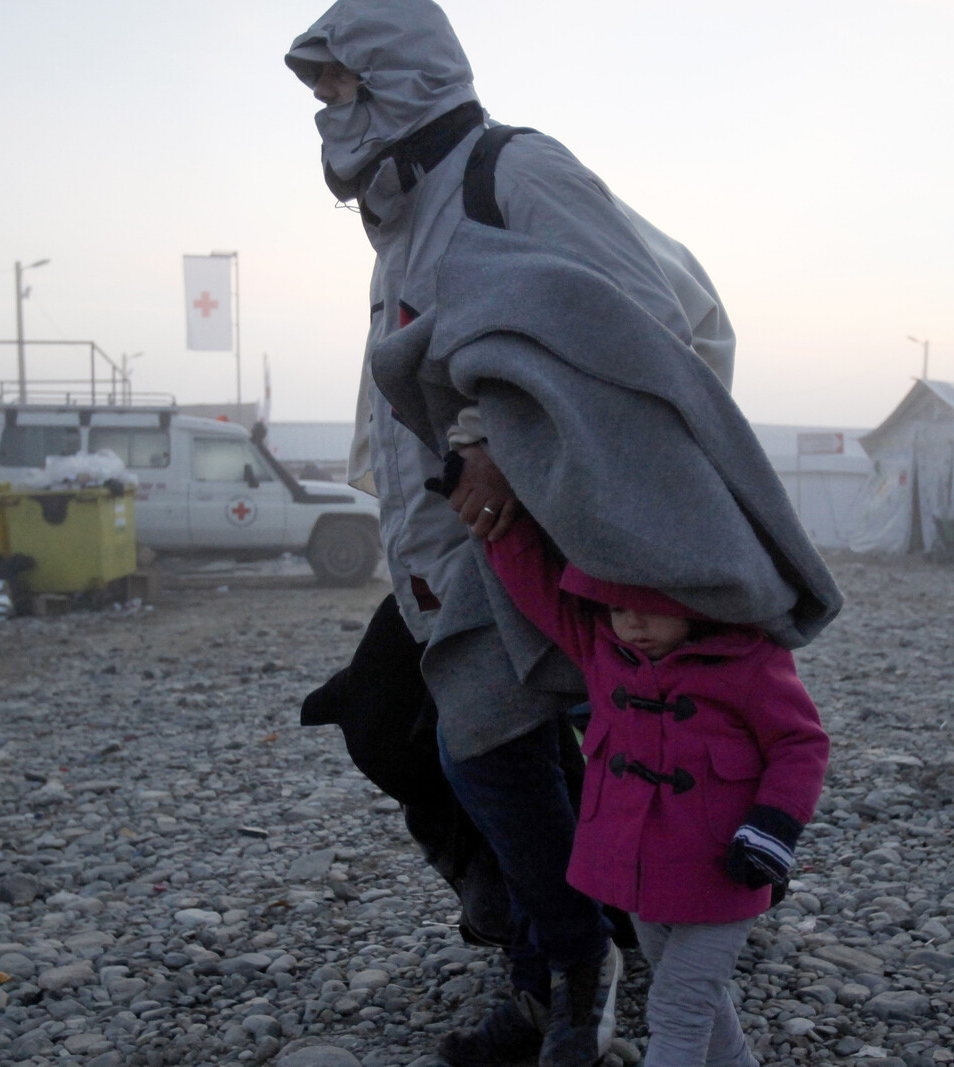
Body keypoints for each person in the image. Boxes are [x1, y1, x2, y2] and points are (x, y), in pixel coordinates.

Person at [286, 3, 841, 1064]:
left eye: (340, 89)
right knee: (404, 725)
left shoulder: (516, 172)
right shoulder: (403, 221)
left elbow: (638, 316)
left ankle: (588, 972)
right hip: (451, 547)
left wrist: (496, 433)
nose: (327, 117)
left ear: (397, 76)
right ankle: (566, 938)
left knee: (508, 747)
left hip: (539, 537)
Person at [483, 510, 830, 1066]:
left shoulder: (749, 661)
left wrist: (773, 828)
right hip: (635, 869)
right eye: (619, 608)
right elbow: (538, 592)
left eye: (652, 609)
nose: (633, 624)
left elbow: (801, 744)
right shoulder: (604, 652)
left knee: (677, 1008)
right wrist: (495, 523)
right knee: (693, 994)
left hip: (723, 871)